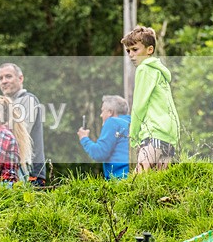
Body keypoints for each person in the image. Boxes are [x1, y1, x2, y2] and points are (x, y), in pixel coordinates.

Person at [122, 26, 180, 171]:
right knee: (158, 184)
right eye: (128, 51)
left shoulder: (144, 69)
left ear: (149, 50)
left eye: (135, 50)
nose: (130, 54)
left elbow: (139, 105)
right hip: (169, 135)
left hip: (154, 132)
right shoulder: (159, 71)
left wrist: (133, 133)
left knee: (138, 177)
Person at [0, 63, 46, 186]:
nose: (4, 81)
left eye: (8, 76)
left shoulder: (28, 100)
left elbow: (20, 134)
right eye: (0, 78)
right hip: (12, 174)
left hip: (31, 173)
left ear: (20, 78)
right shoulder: (3, 106)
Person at [77, 95, 131, 179]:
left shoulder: (112, 121)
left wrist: (84, 139)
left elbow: (99, 153)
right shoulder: (131, 123)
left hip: (120, 179)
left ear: (110, 112)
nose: (101, 115)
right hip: (135, 177)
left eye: (102, 111)